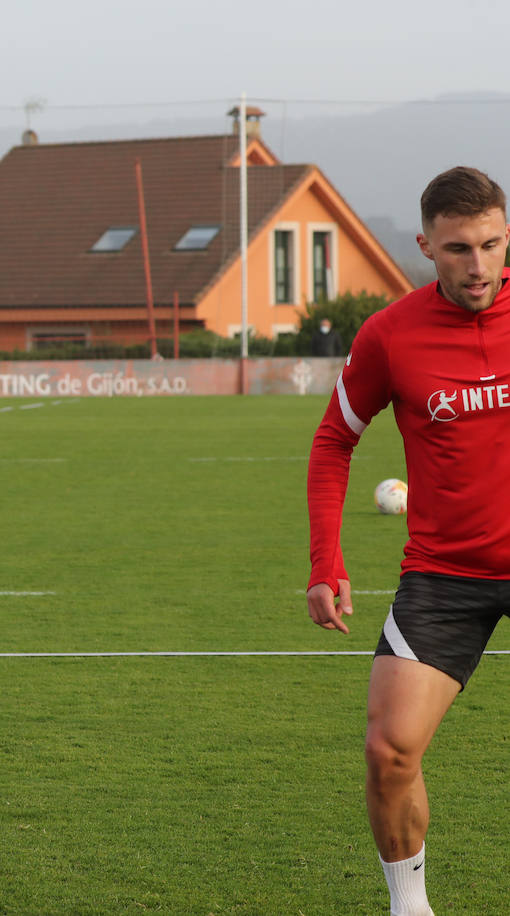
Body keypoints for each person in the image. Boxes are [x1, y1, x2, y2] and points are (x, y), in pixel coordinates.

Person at [306, 165, 510, 916]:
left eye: (492, 245)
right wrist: (327, 560)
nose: (479, 267)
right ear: (426, 245)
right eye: (459, 249)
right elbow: (334, 443)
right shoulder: (390, 333)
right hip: (445, 577)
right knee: (389, 753)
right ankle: (410, 908)